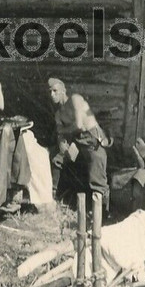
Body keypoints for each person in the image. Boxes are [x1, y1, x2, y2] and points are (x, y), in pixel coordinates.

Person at [48, 77, 110, 214]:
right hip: (76, 141)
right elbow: (60, 133)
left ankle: (103, 213)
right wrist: (61, 143)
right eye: (50, 92)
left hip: (92, 138)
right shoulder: (58, 114)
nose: (52, 94)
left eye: (55, 91)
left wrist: (63, 133)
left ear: (63, 91)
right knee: (57, 159)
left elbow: (79, 125)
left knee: (97, 176)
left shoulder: (75, 99)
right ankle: (51, 197)